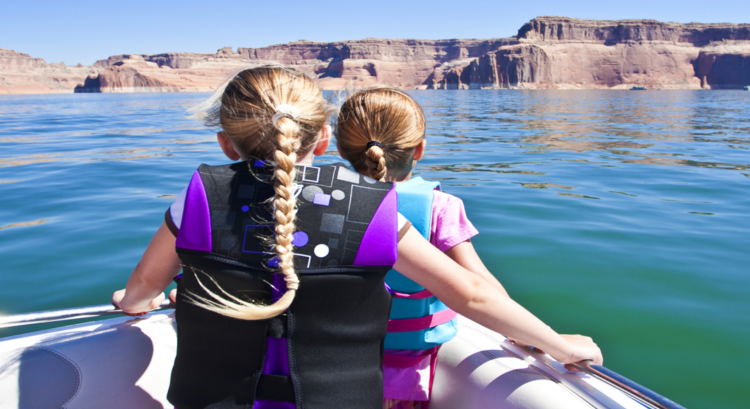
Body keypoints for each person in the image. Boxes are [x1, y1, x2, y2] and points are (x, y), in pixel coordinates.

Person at [112, 67, 602, 409]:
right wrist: (558, 344)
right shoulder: (371, 207)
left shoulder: (198, 197)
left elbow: (142, 288)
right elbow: (469, 293)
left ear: (224, 140)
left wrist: (135, 301)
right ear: (322, 139)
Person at [335, 87, 568, 409]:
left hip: (334, 360)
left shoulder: (324, 204)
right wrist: (540, 338)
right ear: (419, 149)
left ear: (340, 148)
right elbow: (482, 289)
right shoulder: (441, 208)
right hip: (405, 370)